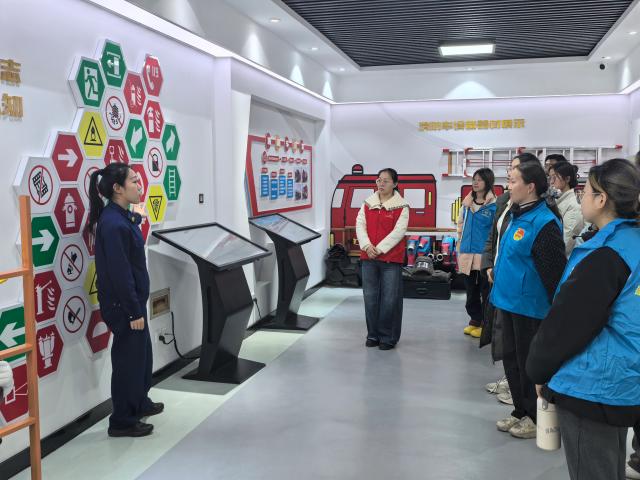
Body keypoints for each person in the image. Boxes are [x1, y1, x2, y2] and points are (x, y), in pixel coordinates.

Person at [527, 158, 640, 480]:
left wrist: (539, 369)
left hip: (591, 384)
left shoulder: (606, 256)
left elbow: (569, 324)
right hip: (623, 379)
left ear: (602, 199)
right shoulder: (632, 242)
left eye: (586, 192)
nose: (582, 198)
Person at [489, 161, 567, 439]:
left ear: (530, 186)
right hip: (508, 301)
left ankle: (536, 417)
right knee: (511, 359)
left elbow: (554, 274)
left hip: (530, 307)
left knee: (529, 363)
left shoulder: (544, 223)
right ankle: (520, 410)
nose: (508, 186)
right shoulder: (517, 215)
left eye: (513, 181)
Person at [86, 163, 163, 438]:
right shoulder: (113, 223)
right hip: (124, 306)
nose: (139, 185)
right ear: (118, 188)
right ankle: (122, 420)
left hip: (133, 303)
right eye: (134, 181)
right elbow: (120, 273)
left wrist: (137, 219)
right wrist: (132, 312)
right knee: (128, 362)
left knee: (142, 357)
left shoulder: (120, 217)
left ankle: (139, 402)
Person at [480, 153, 539, 401]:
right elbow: (494, 238)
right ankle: (516, 396)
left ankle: (528, 406)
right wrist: (489, 265)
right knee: (507, 344)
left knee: (523, 348)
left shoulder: (542, 213)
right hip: (501, 284)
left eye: (514, 176)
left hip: (524, 294)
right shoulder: (506, 203)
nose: (509, 181)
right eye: (509, 175)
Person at [356, 168, 409, 351]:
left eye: (386, 181)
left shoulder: (402, 206)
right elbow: (360, 225)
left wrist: (379, 249)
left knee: (390, 299)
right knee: (370, 297)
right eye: (379, 180)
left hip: (391, 259)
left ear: (395, 184)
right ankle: (373, 335)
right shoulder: (367, 203)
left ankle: (388, 337)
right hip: (368, 257)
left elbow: (399, 231)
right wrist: (367, 246)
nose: (381, 183)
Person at [457, 168, 497, 338]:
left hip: (484, 255)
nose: (475, 182)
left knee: (485, 291)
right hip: (467, 253)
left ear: (488, 182)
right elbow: (460, 225)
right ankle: (475, 320)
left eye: (480, 179)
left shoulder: (494, 206)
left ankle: (486, 324)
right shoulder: (466, 204)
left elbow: (496, 231)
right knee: (470, 291)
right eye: (474, 179)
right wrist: (460, 244)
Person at [548, 161, 584, 256]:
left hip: (562, 258)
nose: (551, 182)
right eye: (550, 177)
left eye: (555, 177)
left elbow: (566, 242)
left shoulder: (573, 205)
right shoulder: (558, 200)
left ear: (567, 179)